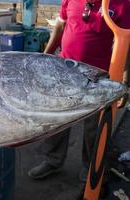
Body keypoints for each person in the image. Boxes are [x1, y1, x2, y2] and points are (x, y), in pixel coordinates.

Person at [28, 0, 130, 182]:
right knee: (58, 120)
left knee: (94, 127)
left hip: (98, 76)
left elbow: (127, 44)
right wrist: (45, 57)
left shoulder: (122, 4)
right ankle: (53, 160)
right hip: (64, 70)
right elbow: (60, 25)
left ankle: (90, 166)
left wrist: (124, 82)